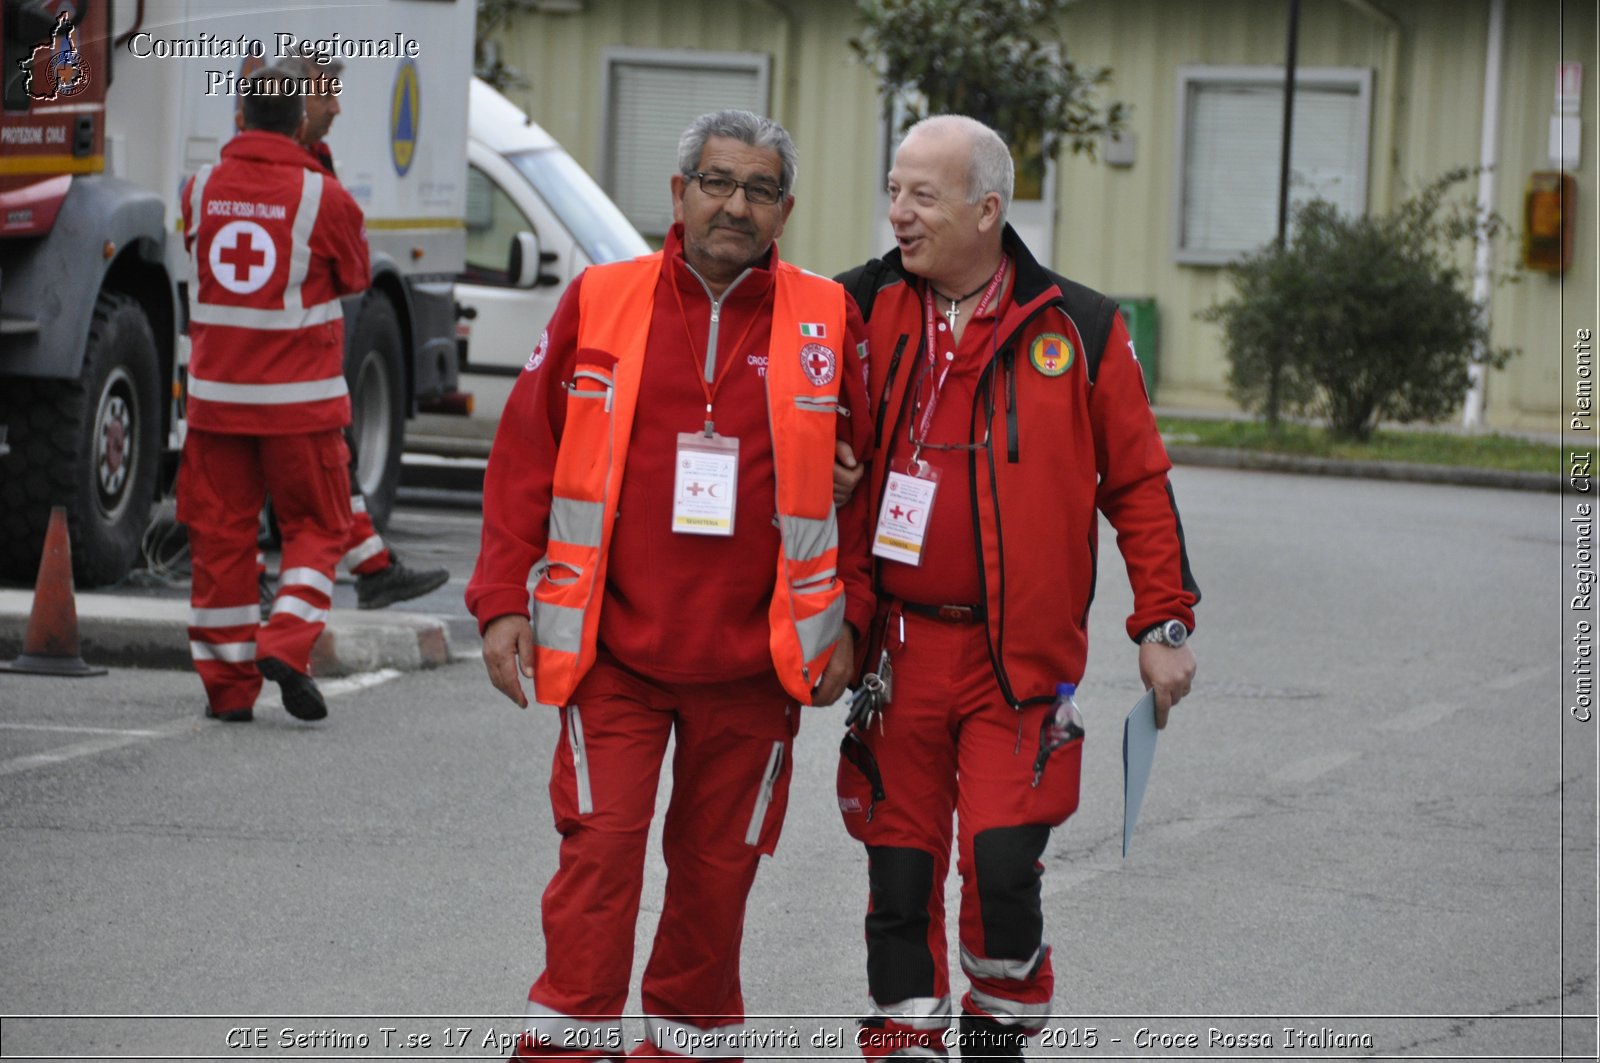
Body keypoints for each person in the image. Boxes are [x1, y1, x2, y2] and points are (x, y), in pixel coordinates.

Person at [466, 110, 874, 1059]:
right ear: (679, 193)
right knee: (598, 863)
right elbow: (523, 456)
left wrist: (851, 613)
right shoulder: (600, 299)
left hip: (757, 665)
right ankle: (567, 1045)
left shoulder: (825, 316)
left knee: (714, 882)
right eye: (718, 182)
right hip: (613, 656)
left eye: (760, 189)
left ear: (786, 209)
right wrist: (498, 604)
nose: (737, 204)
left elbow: (868, 477)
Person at [832, 114, 1201, 1060]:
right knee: (900, 874)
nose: (898, 214)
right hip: (895, 655)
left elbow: (1139, 483)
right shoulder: (850, 309)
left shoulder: (1079, 326)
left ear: (988, 209)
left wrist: (1161, 619)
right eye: (894, 189)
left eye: (923, 195)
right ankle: (903, 1039)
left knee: (1001, 865)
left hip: (1015, 662)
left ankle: (1001, 1034)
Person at [179, 66, 371, 722]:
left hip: (215, 404)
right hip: (301, 406)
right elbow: (353, 276)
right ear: (298, 124)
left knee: (221, 537)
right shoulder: (326, 198)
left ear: (239, 116)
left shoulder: (199, 187)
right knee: (319, 525)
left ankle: (228, 691)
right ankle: (287, 640)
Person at [252, 45, 450, 612]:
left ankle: (373, 567)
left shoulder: (314, 160)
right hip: (278, 364)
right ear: (293, 102)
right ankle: (266, 591)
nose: (336, 107)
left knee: (336, 457)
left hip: (302, 359)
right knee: (271, 484)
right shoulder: (271, 170)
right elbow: (346, 269)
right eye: (325, 92)